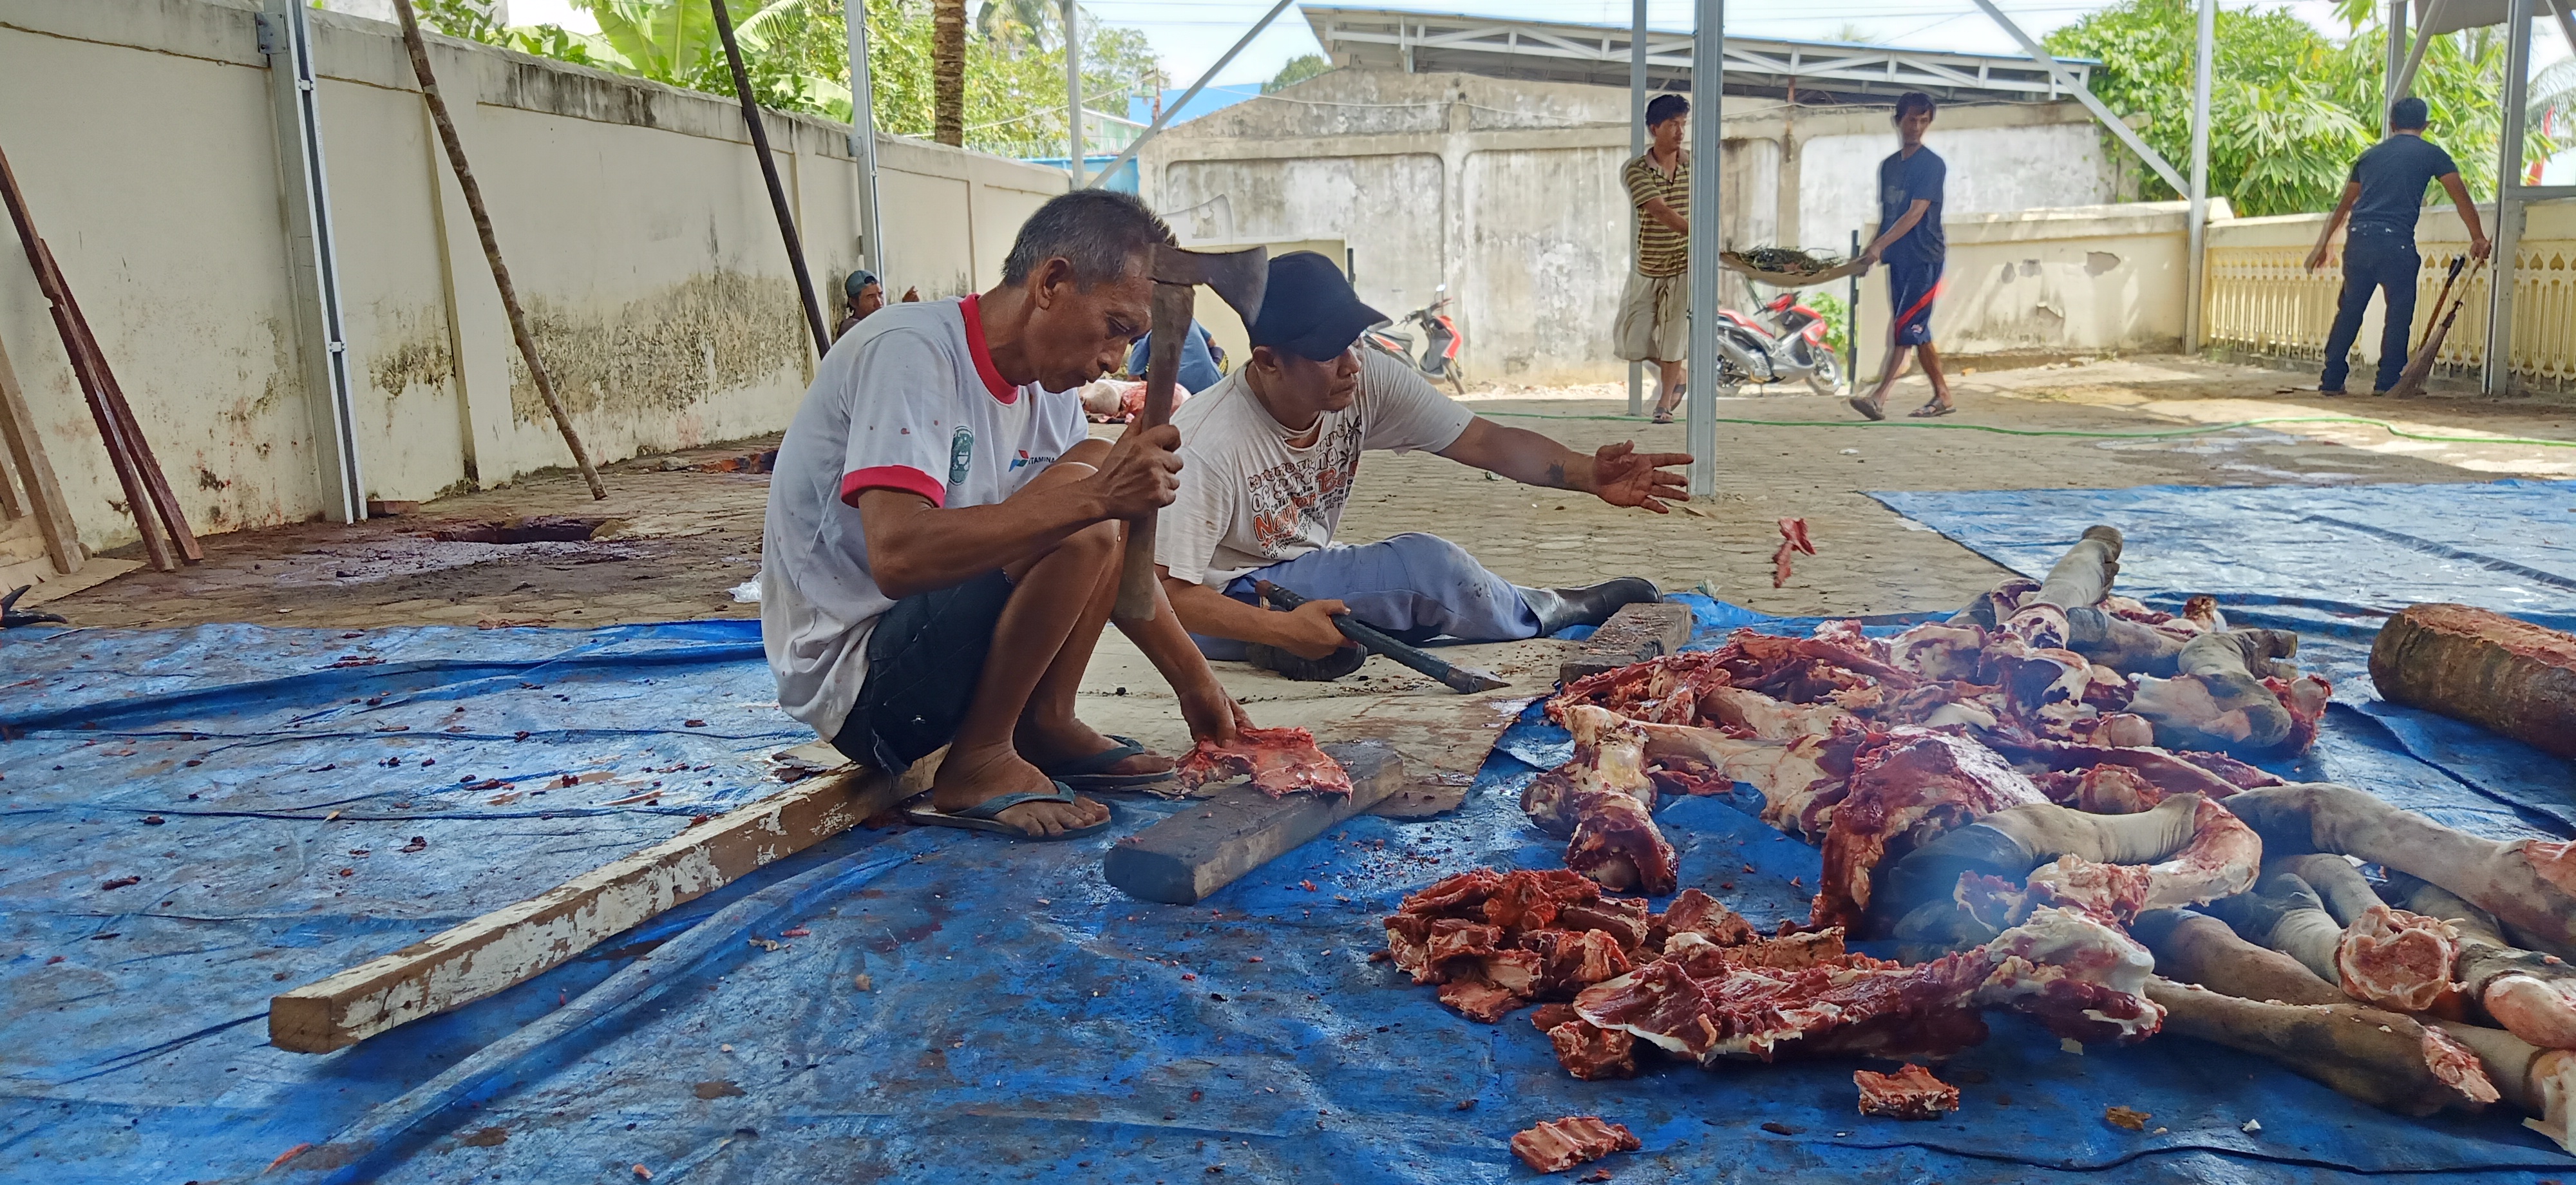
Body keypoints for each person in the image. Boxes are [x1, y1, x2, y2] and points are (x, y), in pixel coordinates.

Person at [762, 190, 1255, 840]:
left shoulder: (1047, 390)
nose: (1114, 361)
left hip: (937, 651)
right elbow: (899, 556)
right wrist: (1100, 499)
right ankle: (980, 759)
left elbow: (1108, 556)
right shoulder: (910, 351)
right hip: (862, 687)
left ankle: (1045, 721)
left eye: (1131, 340)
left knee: (1091, 467)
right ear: (1051, 283)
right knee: (1088, 498)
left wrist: (1195, 683)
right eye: (1114, 327)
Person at [1155, 251, 1687, 681]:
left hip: (1295, 571)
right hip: (1221, 606)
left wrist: (1586, 473)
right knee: (1426, 570)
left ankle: (1327, 642)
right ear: (1269, 361)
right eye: (1328, 351)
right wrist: (1282, 630)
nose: (1351, 364)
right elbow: (1161, 596)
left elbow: (1481, 440)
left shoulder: (1364, 379)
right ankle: (1546, 610)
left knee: (1393, 594)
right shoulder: (1205, 443)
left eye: (1354, 342)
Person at [2304, 96, 2492, 395]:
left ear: (2392, 125)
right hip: (2396, 242)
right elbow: (2460, 196)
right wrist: (2478, 237)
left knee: (2350, 309)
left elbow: (2345, 204)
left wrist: (2323, 245)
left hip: (2359, 239)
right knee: (2399, 313)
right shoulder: (2433, 155)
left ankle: (2331, 379)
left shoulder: (2368, 157)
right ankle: (2388, 382)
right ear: (2426, 125)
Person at [1850, 91, 1954, 421]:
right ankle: (1943, 395)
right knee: (1914, 329)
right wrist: (1872, 251)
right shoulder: (1890, 167)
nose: (1917, 127)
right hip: (1900, 259)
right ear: (1898, 120)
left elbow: (1914, 213)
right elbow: (1890, 214)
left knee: (1905, 329)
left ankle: (1879, 398)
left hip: (1925, 258)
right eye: (1911, 120)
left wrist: (1879, 245)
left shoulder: (1932, 165)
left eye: (1924, 121)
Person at [1617, 94, 1692, 424]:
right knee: (1633, 339)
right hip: (1648, 266)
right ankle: (1678, 376)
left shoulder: (1694, 165)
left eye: (1683, 124)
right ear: (1654, 128)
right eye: (1672, 124)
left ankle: (1664, 404)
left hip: (1684, 264)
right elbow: (1659, 211)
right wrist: (1701, 234)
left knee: (1674, 334)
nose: (1680, 132)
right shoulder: (1636, 170)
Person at [1126, 321, 1226, 394]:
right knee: (1218, 351)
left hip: (1183, 392)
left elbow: (1133, 380)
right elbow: (1212, 343)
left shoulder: (1142, 338)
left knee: (1145, 376)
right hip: (1216, 383)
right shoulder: (1186, 318)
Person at [833, 270, 884, 340]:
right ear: (854, 302)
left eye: (880, 294)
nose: (879, 303)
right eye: (871, 297)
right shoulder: (853, 329)